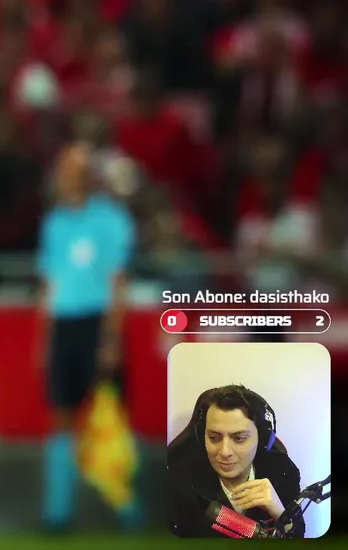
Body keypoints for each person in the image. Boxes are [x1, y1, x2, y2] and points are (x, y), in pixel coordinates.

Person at [35, 141, 139, 532]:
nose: (68, 177)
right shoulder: (54, 223)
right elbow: (49, 284)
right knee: (61, 415)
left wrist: (111, 339)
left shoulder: (111, 220)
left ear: (88, 176)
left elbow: (118, 281)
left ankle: (126, 506)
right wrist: (45, 340)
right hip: (64, 324)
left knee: (109, 413)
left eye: (76, 170)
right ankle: (57, 514)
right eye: (65, 169)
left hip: (97, 322)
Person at [167, 385, 305, 538]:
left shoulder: (283, 472)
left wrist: (281, 515)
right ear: (202, 435)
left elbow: (298, 534)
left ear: (261, 439)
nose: (225, 452)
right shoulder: (178, 480)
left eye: (239, 438)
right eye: (214, 438)